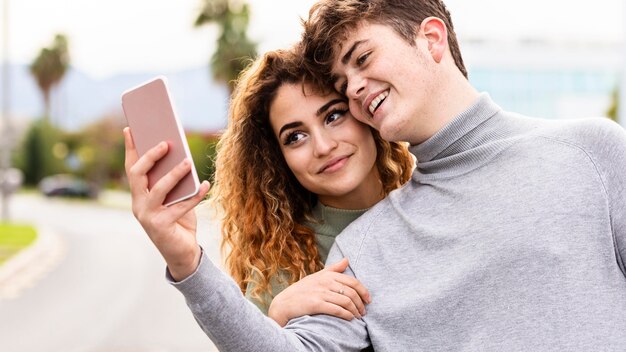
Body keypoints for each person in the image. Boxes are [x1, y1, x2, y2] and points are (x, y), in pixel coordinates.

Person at [154, 0, 626, 351]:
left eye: (362, 59)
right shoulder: (362, 249)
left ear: (432, 40)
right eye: (342, 84)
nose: (355, 88)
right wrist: (187, 262)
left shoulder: (590, 153)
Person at [124, 46, 413, 330]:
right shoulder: (281, 269)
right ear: (279, 159)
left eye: (334, 116)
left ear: (363, 109)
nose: (324, 147)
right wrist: (276, 319)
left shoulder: (434, 198)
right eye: (295, 137)